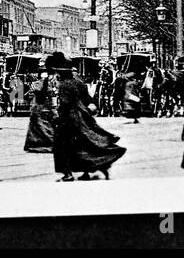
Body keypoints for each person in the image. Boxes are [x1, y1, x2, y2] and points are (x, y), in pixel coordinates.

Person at [49, 52, 126, 181]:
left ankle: (68, 173)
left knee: (63, 146)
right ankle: (90, 169)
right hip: (83, 117)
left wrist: (56, 116)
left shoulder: (63, 85)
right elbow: (88, 99)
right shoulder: (79, 82)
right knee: (84, 144)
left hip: (69, 119)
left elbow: (65, 104)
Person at [23, 64, 58, 153]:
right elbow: (37, 92)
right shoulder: (38, 83)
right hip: (40, 105)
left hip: (45, 106)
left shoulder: (49, 83)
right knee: (41, 125)